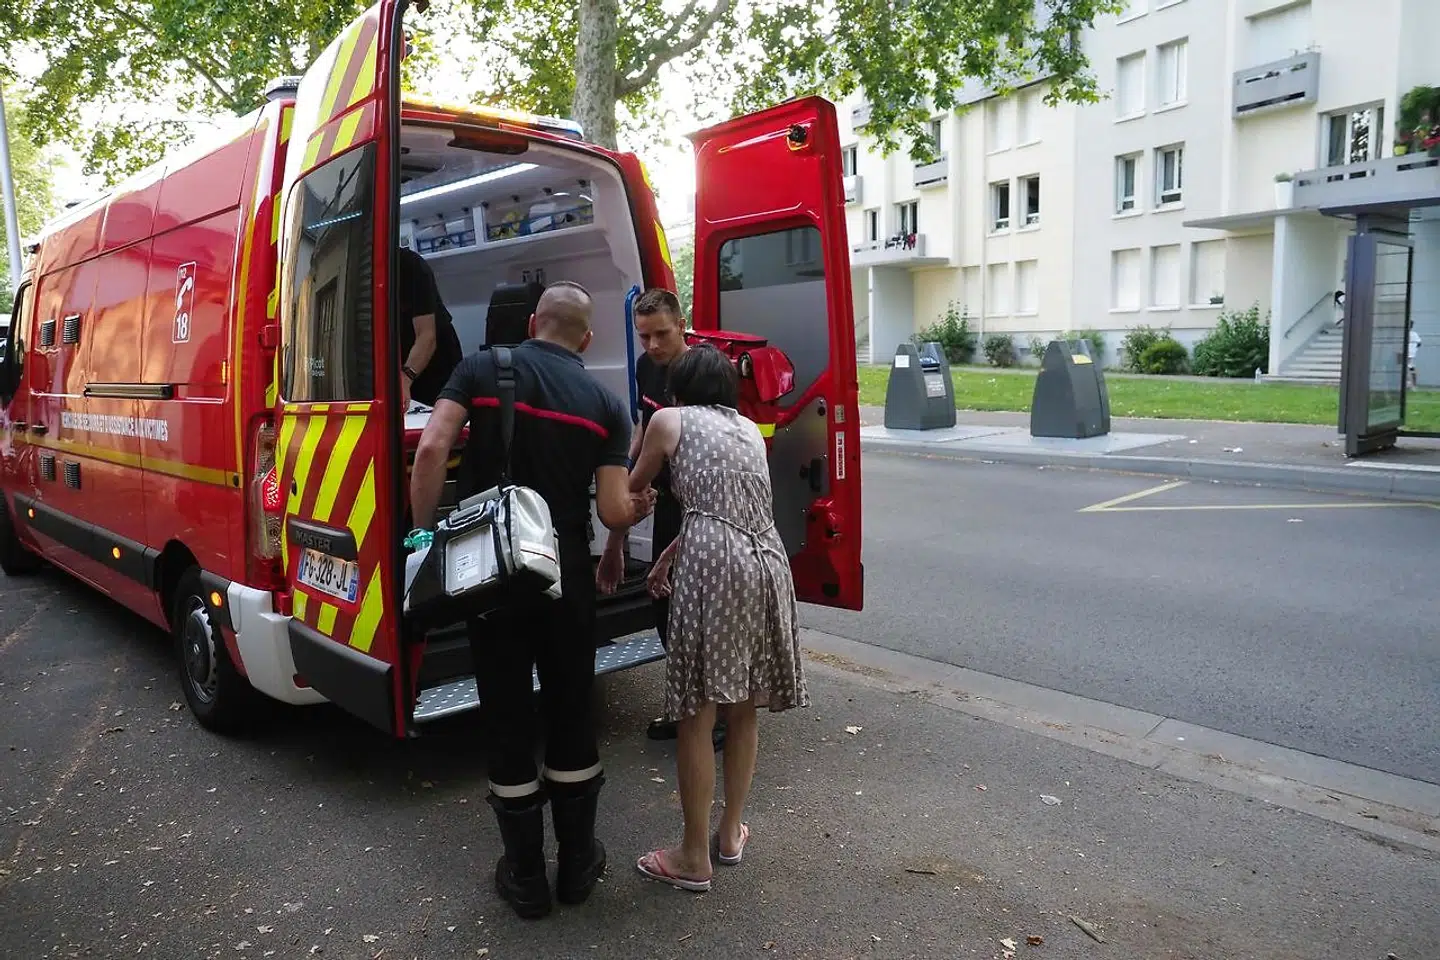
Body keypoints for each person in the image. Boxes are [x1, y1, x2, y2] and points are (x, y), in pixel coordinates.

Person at [410, 280, 653, 920]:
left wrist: (421, 535)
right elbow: (611, 508)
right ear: (587, 338)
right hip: (565, 571)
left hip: (494, 574)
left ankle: (523, 877)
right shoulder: (606, 404)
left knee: (508, 716)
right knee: (572, 710)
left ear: (533, 322)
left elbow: (433, 446)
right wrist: (637, 505)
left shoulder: (482, 368)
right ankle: (577, 866)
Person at [623, 344, 809, 893]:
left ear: (678, 387)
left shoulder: (668, 419)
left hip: (714, 566)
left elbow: (634, 486)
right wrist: (669, 554)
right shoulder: (750, 429)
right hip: (766, 561)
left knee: (697, 711)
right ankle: (729, 835)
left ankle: (690, 858)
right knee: (744, 703)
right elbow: (732, 510)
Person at [595, 288, 725, 750]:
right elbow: (643, 427)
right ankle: (690, 705)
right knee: (666, 606)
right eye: (644, 335)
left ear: (682, 324)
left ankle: (718, 714)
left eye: (661, 334)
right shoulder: (646, 368)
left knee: (702, 610)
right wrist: (625, 469)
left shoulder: (704, 375)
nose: (652, 345)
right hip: (667, 499)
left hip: (706, 506)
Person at [396, 245, 463, 408]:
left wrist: (405, 378)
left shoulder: (409, 265)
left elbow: (426, 336)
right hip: (405, 368)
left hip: (436, 367)